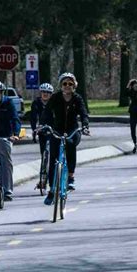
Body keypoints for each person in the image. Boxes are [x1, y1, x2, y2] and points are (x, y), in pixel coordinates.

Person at [40, 72, 89, 206]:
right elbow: (47, 113)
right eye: (65, 84)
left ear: (74, 86)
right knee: (53, 159)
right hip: (57, 130)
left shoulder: (77, 99)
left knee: (70, 144)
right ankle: (51, 191)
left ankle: (71, 177)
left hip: (73, 130)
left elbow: (84, 113)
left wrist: (85, 126)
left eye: (70, 84)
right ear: (61, 85)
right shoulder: (55, 97)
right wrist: (43, 125)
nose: (67, 86)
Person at [30, 82, 54, 154]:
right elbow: (33, 117)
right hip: (41, 127)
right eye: (43, 92)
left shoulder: (54, 102)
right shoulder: (36, 102)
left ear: (51, 94)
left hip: (53, 126)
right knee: (43, 150)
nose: (45, 94)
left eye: (48, 92)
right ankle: (44, 162)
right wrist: (34, 129)